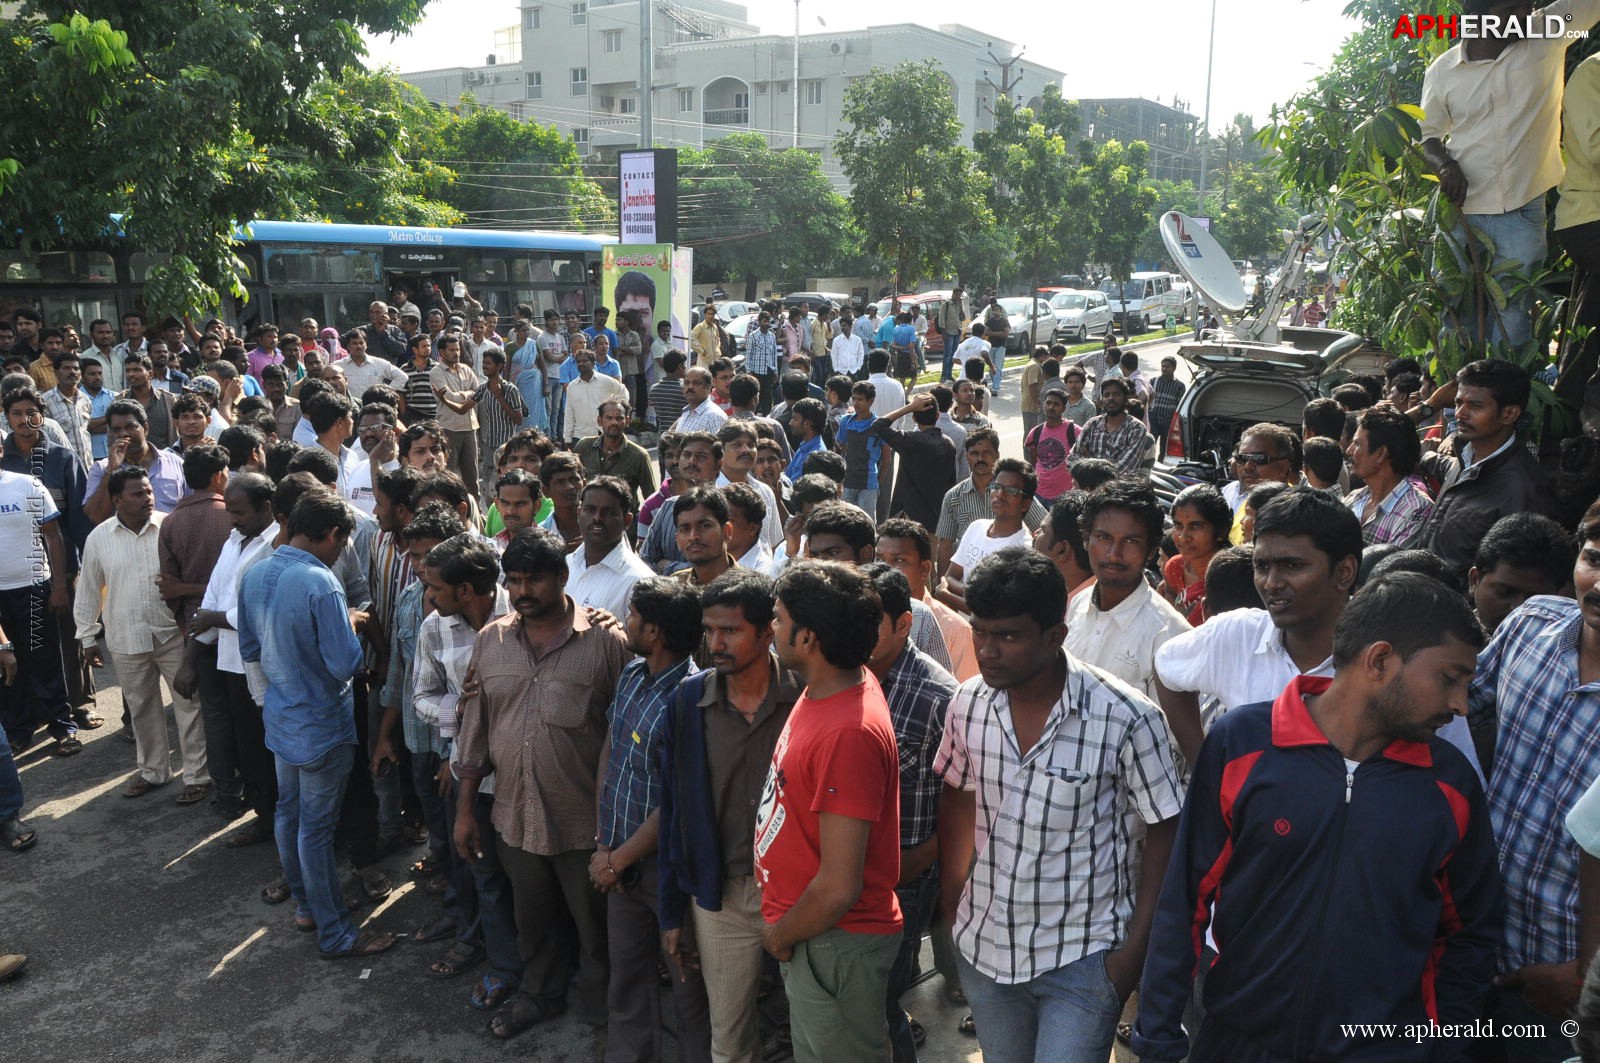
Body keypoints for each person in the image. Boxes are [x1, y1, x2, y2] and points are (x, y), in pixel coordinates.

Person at [1132, 573, 1499, 1062]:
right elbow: (1184, 900)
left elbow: (1470, 934)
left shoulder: (1450, 785)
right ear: (1381, 660)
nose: (1458, 705)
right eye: (1449, 679)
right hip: (1237, 1044)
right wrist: (1157, 1035)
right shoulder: (1242, 742)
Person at [935, 547, 1182, 1063]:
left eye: (1008, 636)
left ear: (1055, 636)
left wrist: (1131, 954)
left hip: (1083, 957)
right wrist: (955, 899)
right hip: (985, 948)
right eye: (981, 631)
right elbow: (958, 795)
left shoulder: (1129, 718)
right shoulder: (968, 702)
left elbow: (1167, 829)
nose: (988, 650)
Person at [453, 527, 631, 1038]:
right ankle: (541, 995)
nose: (524, 591)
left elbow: (628, 730)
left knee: (597, 929)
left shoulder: (605, 643)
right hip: (513, 817)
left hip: (585, 826)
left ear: (562, 577)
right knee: (533, 923)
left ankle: (605, 1016)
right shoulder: (492, 641)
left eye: (535, 580)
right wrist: (467, 809)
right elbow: (474, 732)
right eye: (515, 580)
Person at [1465, 499, 1600, 1057]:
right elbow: (1454, 708)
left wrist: (1584, 974)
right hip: (1474, 939)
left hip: (1563, 983)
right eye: (1594, 558)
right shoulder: (1530, 624)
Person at [238, 488, 394, 958]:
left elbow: (250, 649)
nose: (342, 550)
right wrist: (348, 621)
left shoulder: (255, 572)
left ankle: (306, 907)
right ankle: (336, 932)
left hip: (282, 718)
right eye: (342, 542)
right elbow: (345, 663)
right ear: (332, 535)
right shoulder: (320, 583)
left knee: (290, 814)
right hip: (322, 723)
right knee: (316, 829)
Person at [757, 560, 903, 1063]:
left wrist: (780, 934)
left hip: (831, 942)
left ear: (810, 638)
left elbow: (840, 886)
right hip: (817, 936)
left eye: (778, 617)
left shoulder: (849, 733)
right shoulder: (829, 686)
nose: (771, 626)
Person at [658, 568, 803, 1063]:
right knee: (731, 1040)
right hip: (722, 897)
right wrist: (672, 908)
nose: (715, 643)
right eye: (709, 630)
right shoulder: (688, 701)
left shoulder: (805, 697)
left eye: (731, 630)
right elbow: (675, 809)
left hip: (800, 895)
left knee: (816, 1032)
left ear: (768, 632)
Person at [1419, 0, 1600, 350]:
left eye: (1526, 7)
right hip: (1463, 208)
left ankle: (1505, 398)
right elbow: (1428, 136)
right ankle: (1455, 395)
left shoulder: (1546, 33)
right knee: (1457, 313)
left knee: (1515, 313)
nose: (1523, 17)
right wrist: (1445, 165)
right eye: (1510, 11)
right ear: (1477, 17)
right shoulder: (1442, 70)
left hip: (1523, 204)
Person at [596, 577, 714, 1063]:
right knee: (627, 978)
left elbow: (677, 804)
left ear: (657, 631)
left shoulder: (691, 699)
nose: (626, 623)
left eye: (634, 616)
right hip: (618, 864)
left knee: (687, 988)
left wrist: (617, 858)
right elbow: (612, 750)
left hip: (667, 875)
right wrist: (604, 842)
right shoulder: (630, 675)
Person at [861, 561, 958, 1063]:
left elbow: (964, 807)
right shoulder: (839, 676)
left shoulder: (940, 697)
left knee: (882, 999)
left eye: (871, 620)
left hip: (905, 880)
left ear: (903, 623)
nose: (856, 632)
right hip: (844, 871)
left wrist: (913, 866)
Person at [76, 465, 210, 801]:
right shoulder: (99, 538)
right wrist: (88, 637)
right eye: (137, 493)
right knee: (142, 709)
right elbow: (89, 589)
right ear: (117, 499)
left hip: (171, 633)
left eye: (148, 491)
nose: (147, 498)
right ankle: (154, 772)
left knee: (190, 704)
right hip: (125, 638)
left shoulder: (170, 526)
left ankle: (197, 775)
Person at [185, 472, 279, 841]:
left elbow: (267, 608)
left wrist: (220, 620)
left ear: (266, 507)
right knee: (245, 746)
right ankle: (263, 813)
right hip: (228, 660)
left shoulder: (276, 545)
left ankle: (273, 817)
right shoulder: (234, 539)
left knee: (263, 746)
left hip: (258, 666)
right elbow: (214, 595)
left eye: (239, 511)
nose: (232, 518)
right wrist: (193, 653)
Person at [1418, 359, 1556, 585]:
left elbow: (1514, 582)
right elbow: (1440, 463)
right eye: (1458, 402)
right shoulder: (1465, 457)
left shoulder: (1524, 489)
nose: (1460, 414)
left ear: (1509, 414)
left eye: (1475, 406)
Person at [1065, 480, 1191, 699]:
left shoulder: (1171, 635)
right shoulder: (1077, 604)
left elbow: (1168, 730)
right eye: (1104, 538)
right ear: (1086, 539)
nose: (1114, 554)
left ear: (1151, 550)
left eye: (1131, 541)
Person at [0, 461, 77, 756]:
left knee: (44, 661)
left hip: (33, 589)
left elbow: (53, 535)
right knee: (7, 667)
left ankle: (62, 726)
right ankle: (18, 731)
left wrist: (59, 587)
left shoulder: (26, 486)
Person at [934, 428, 1049, 579]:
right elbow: (945, 544)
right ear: (966, 456)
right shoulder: (953, 497)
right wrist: (942, 588)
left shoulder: (1015, 492)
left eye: (986, 453)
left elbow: (1044, 529)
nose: (980, 458)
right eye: (974, 453)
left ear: (997, 455)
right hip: (962, 582)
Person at [940, 458, 1037, 613]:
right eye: (996, 486)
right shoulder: (976, 527)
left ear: (1025, 503)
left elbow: (993, 613)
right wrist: (975, 595)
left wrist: (946, 594)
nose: (1000, 494)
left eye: (1010, 491)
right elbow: (950, 576)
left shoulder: (1024, 549)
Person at [1468, 512, 1576, 635]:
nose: (1517, 608)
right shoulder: (1445, 634)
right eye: (1504, 592)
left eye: (1534, 601)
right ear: (1475, 580)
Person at [1343, 404, 1434, 545]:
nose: (1349, 450)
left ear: (1380, 453)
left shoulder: (1416, 510)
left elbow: (1392, 565)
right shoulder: (1355, 498)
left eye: (1357, 444)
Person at [566, 476, 653, 618]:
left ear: (627, 521)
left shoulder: (639, 581)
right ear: (578, 513)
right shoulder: (566, 565)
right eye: (590, 509)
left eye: (609, 512)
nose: (597, 518)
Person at [871, 392, 959, 533]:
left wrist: (909, 407)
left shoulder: (910, 441)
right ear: (937, 416)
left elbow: (878, 426)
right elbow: (952, 483)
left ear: (913, 417)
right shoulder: (949, 443)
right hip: (936, 519)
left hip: (909, 518)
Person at [1159, 483, 1233, 626]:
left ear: (1221, 530)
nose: (1183, 537)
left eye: (1195, 526)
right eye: (1178, 525)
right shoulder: (1174, 567)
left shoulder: (1232, 576)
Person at [575, 399, 657, 507]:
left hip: (624, 521)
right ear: (599, 420)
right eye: (609, 418)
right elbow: (574, 485)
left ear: (627, 421)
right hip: (589, 520)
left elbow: (651, 498)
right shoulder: (584, 447)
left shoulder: (639, 455)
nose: (614, 422)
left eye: (619, 418)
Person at [1073, 377, 1151, 477]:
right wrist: (1109, 463)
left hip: (1118, 491)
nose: (1110, 398)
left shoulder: (1136, 428)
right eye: (1106, 395)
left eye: (1116, 394)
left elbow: (1125, 468)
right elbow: (1072, 459)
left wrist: (1088, 462)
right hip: (1086, 490)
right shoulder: (1092, 424)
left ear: (1126, 398)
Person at [834, 381, 883, 514]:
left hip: (869, 483)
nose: (856, 403)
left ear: (871, 401)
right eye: (854, 399)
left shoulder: (879, 425)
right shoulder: (846, 421)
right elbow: (840, 451)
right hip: (848, 481)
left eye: (860, 399)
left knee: (867, 521)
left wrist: (877, 483)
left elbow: (887, 459)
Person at [1023, 390, 1079, 505]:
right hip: (1038, 494)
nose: (1051, 407)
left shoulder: (1075, 432)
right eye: (1048, 403)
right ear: (1043, 405)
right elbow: (1033, 462)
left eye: (1056, 404)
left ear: (1064, 408)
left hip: (1065, 496)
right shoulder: (1035, 432)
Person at [1147, 356, 1186, 439]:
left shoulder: (1179, 386)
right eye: (1163, 366)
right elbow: (1148, 400)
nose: (1164, 369)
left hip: (1168, 422)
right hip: (1153, 420)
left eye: (1167, 367)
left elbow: (1180, 406)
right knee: (1150, 447)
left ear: (1174, 368)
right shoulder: (1153, 381)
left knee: (1165, 450)